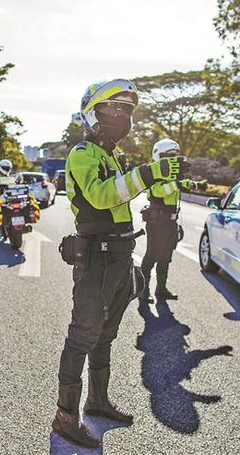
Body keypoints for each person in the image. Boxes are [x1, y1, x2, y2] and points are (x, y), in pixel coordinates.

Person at [52, 79, 190, 448]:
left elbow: (131, 191)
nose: (120, 116)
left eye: (126, 110)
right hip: (95, 260)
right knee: (83, 335)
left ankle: (97, 401)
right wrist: (150, 172)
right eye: (112, 108)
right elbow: (101, 197)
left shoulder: (113, 157)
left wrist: (162, 175)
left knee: (106, 335)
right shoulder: (82, 154)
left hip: (119, 257)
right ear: (91, 114)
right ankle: (65, 416)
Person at [139, 139, 207, 303]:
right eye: (170, 155)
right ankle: (143, 291)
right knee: (151, 257)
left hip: (170, 223)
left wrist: (196, 185)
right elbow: (156, 192)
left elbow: (180, 185)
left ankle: (161, 289)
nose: (174, 158)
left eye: (176, 155)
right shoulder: (154, 173)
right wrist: (177, 183)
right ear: (159, 155)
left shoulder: (173, 175)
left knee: (165, 258)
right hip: (157, 223)